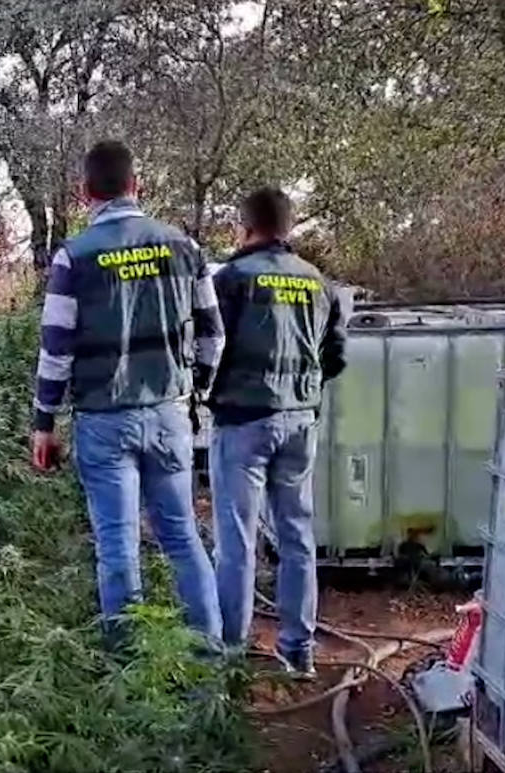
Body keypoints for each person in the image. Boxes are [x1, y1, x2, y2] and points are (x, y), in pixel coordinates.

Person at [30, 139, 223, 649]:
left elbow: (56, 350)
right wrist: (193, 390)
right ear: (137, 186)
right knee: (182, 538)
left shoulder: (74, 257)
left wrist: (43, 423)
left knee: (118, 548)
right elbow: (213, 336)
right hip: (168, 416)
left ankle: (130, 677)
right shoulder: (185, 247)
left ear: (83, 192)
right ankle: (210, 667)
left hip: (103, 420)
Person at [207, 187, 348, 679]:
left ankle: (229, 655)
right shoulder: (318, 283)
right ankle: (298, 651)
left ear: (244, 226)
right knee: (296, 537)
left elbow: (207, 348)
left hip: (242, 423)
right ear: (288, 226)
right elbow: (336, 357)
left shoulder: (231, 279)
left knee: (237, 542)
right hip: (299, 423)